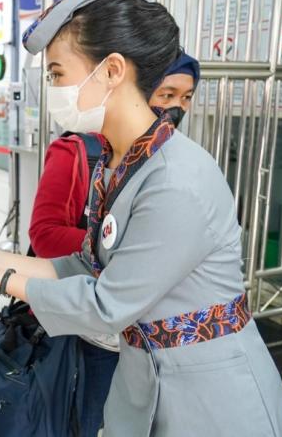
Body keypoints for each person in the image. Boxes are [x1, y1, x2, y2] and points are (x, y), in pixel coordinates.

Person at [0, 0, 282, 436]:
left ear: (112, 70)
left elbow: (106, 303)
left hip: (212, 396)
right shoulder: (121, 160)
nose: (52, 87)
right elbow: (88, 264)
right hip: (147, 378)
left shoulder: (175, 180)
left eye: (58, 73)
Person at [29, 50, 200, 437]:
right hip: (96, 333)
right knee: (93, 420)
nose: (175, 108)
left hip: (153, 335)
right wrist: (126, 251)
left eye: (186, 98)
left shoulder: (175, 163)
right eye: (167, 94)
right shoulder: (77, 151)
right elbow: (44, 234)